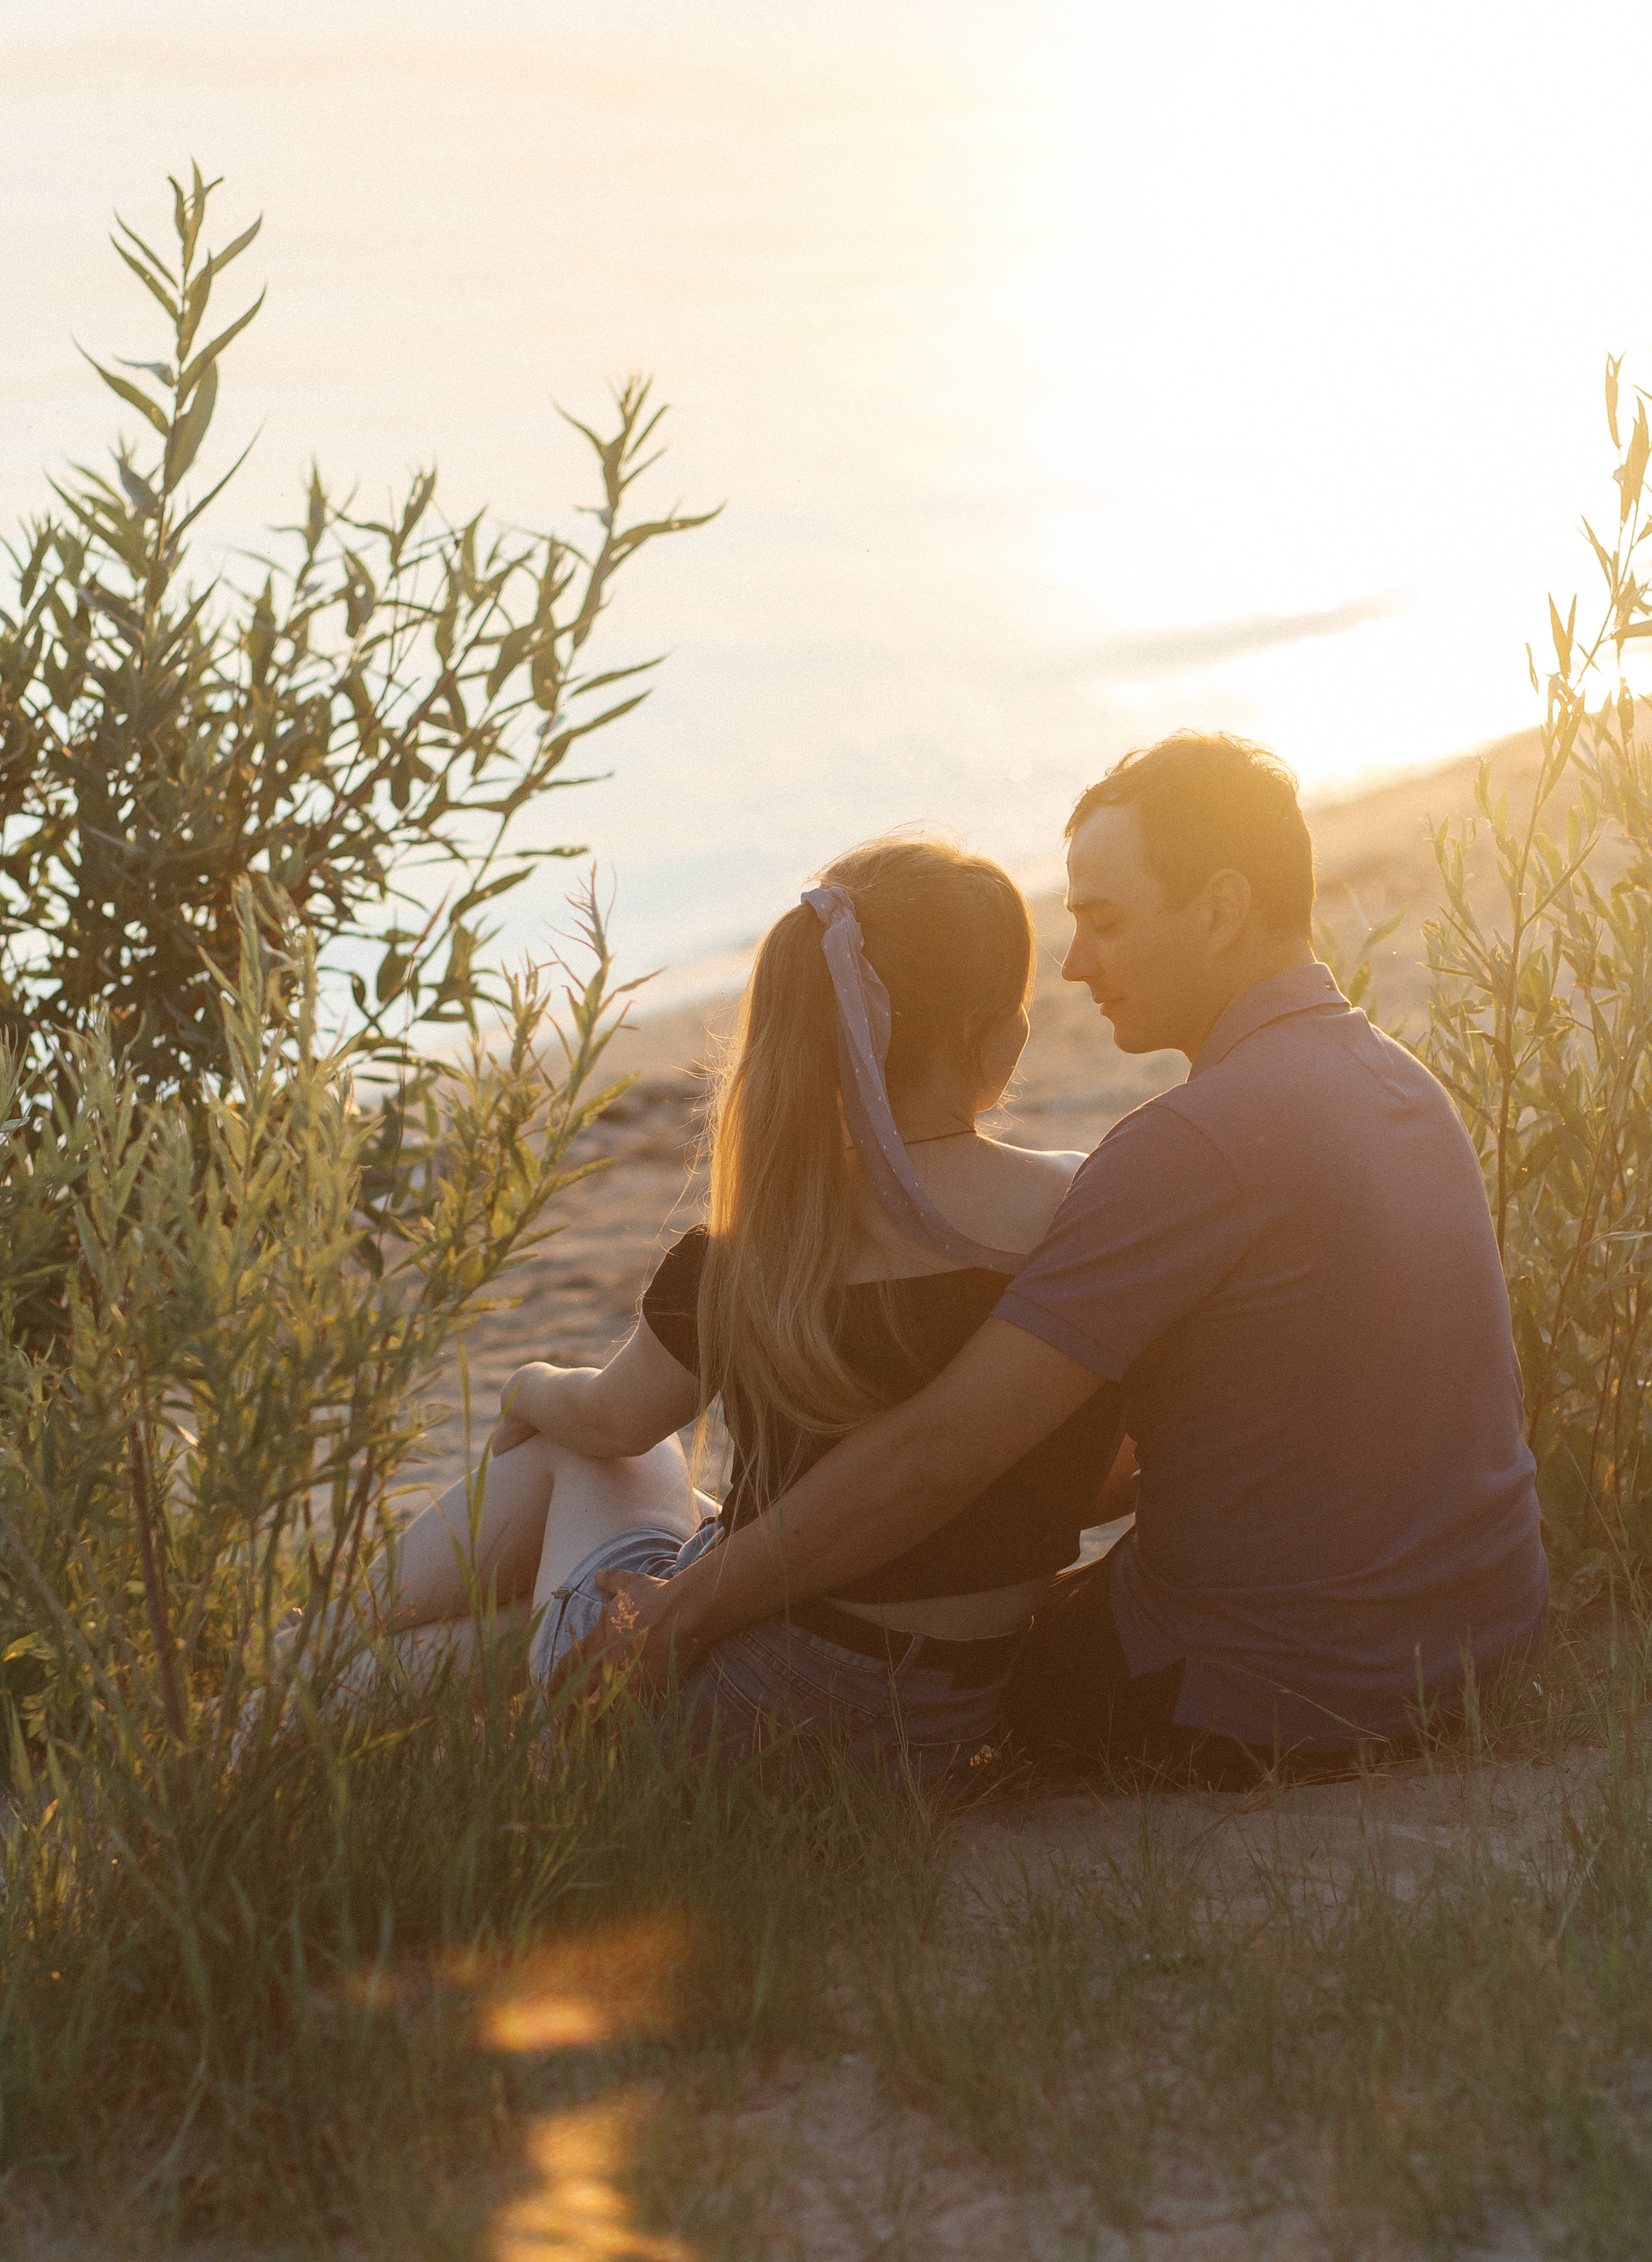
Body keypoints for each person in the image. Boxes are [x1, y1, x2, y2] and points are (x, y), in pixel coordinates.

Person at [604, 731, 1548, 1783]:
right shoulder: (1400, 1082)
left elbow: (943, 1454)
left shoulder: (1192, 1145)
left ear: (1223, 909)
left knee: (940, 1658)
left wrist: (685, 1611)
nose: (1073, 962)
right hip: (1480, 1638)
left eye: (1103, 920)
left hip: (1275, 1691)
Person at [376, 834, 1128, 1781]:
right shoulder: (1088, 1208)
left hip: (740, 1710)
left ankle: (298, 1662)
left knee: (593, 1449)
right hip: (942, 1713)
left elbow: (609, 1422)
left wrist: (528, 1388)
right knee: (463, 1643)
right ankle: (300, 1676)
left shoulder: (761, 1252)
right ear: (1003, 1041)